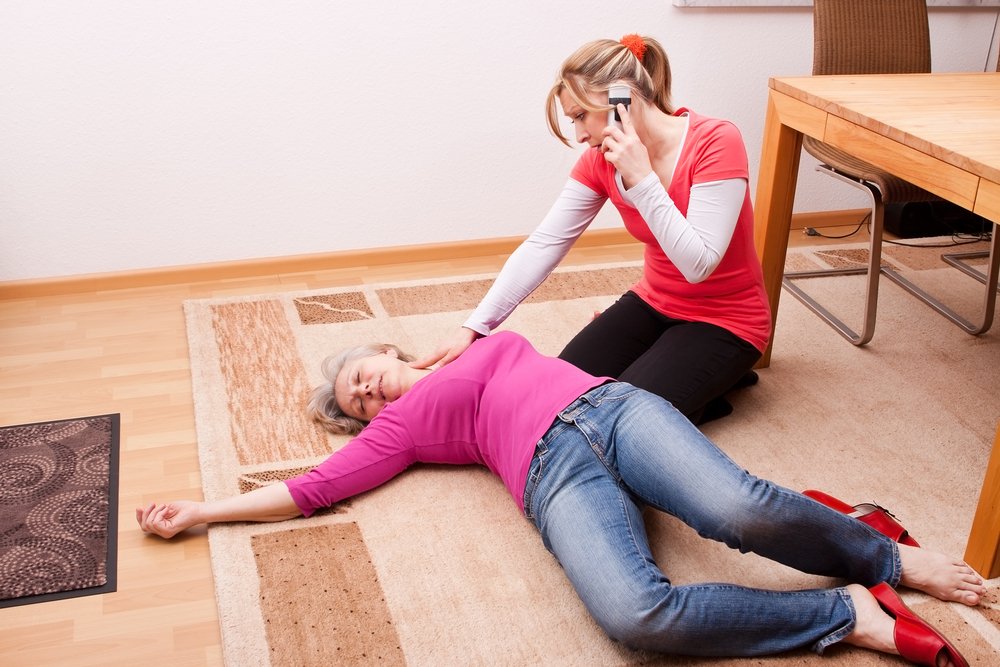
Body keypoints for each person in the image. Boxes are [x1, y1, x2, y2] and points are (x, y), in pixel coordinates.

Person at [138, 331, 983, 666]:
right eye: (356, 402)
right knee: (635, 616)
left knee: (736, 510)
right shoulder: (394, 433)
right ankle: (842, 613)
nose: (366, 393)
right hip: (552, 479)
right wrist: (203, 511)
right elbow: (310, 489)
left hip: (611, 411)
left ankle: (886, 554)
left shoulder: (472, 338)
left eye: (363, 373)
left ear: (390, 349)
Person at [410, 34, 772, 426]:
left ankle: (708, 382)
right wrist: (474, 327)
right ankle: (695, 388)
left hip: (726, 319)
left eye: (581, 116)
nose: (580, 135)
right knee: (556, 398)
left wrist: (642, 178)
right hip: (653, 303)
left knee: (614, 418)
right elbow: (545, 244)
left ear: (622, 97)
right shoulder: (599, 161)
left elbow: (698, 265)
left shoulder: (715, 140)